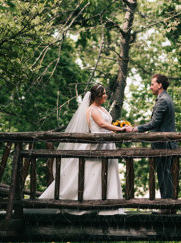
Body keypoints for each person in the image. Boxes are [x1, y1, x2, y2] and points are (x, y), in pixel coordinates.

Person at [39, 84, 126, 214]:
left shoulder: (101, 108)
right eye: (103, 94)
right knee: (93, 171)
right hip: (97, 144)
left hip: (106, 143)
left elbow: (105, 125)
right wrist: (120, 129)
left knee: (105, 171)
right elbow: (101, 124)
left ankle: (108, 203)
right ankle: (86, 200)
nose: (105, 96)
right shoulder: (93, 110)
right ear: (96, 96)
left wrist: (114, 133)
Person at [125, 73, 177, 208]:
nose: (150, 87)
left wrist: (136, 129)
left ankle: (167, 206)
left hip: (163, 144)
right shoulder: (166, 98)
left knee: (164, 175)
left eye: (152, 84)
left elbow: (154, 123)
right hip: (166, 143)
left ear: (160, 85)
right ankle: (169, 206)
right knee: (165, 174)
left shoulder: (162, 100)